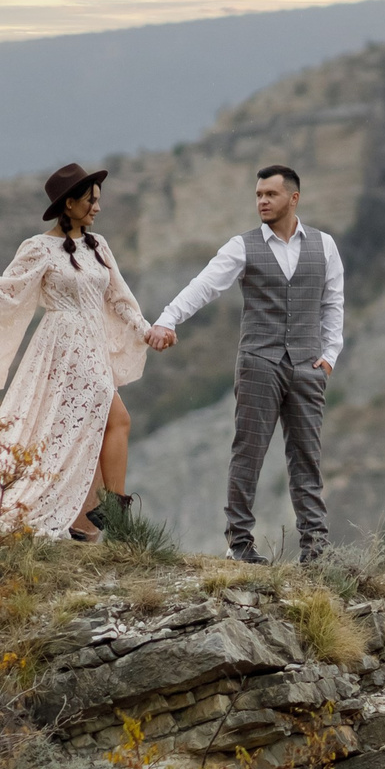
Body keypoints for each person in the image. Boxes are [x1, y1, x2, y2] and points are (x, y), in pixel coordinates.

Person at [0, 163, 154, 540]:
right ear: (68, 204)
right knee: (115, 416)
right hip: (64, 345)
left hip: (93, 343)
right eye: (90, 200)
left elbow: (118, 298)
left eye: (98, 200)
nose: (97, 208)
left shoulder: (98, 246)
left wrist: (146, 331)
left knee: (89, 428)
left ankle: (84, 528)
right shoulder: (38, 248)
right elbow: (10, 288)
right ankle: (115, 514)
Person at [146, 164, 344, 563]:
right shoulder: (243, 245)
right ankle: (239, 544)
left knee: (307, 457)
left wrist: (329, 356)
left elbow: (333, 302)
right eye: (258, 195)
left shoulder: (325, 246)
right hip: (258, 363)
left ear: (294, 198)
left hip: (308, 366)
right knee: (248, 453)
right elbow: (205, 285)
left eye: (270, 194)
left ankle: (316, 551)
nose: (262, 202)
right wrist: (167, 318)